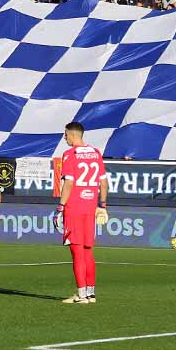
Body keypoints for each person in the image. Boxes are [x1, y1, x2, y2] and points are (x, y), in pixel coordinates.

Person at [57, 121, 108, 304]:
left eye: (66, 135)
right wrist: (102, 205)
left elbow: (69, 183)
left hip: (74, 208)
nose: (65, 138)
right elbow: (103, 182)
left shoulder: (69, 154)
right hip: (90, 208)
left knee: (77, 252)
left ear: (73, 135)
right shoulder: (95, 152)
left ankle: (81, 295)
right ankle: (90, 294)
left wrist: (60, 207)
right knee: (88, 251)